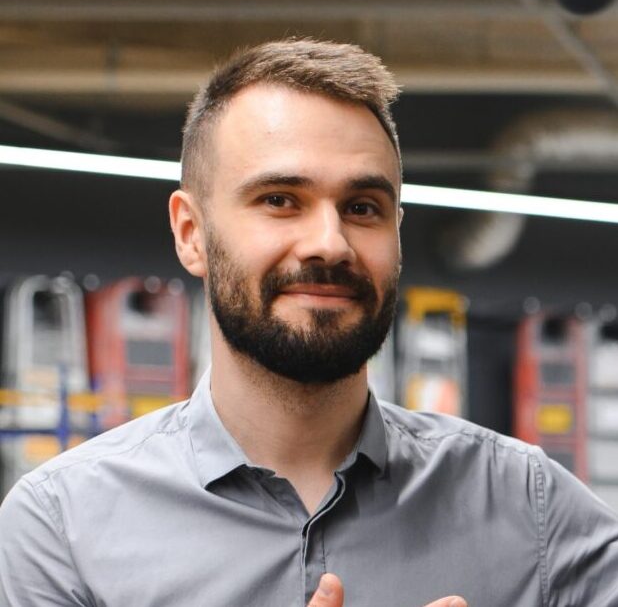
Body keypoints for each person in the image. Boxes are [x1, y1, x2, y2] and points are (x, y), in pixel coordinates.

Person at [0, 38, 617, 607]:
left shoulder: (529, 508)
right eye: (279, 200)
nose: (330, 243)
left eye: (362, 207)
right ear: (192, 235)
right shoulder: (63, 525)